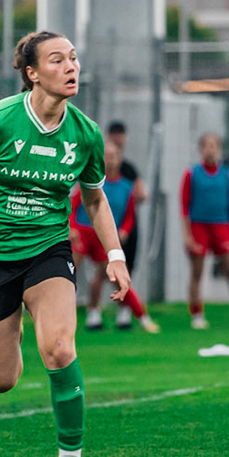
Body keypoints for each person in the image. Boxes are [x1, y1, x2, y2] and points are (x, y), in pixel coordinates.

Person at [0, 30, 127, 457]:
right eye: (57, 60)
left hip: (47, 249)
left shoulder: (86, 134)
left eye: (73, 58)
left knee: (59, 348)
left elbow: (95, 198)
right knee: (1, 380)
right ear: (32, 73)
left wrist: (115, 254)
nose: (70, 67)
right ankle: (13, 321)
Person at [71, 138, 159, 334]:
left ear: (120, 160)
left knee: (112, 274)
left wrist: (124, 230)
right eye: (106, 157)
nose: (109, 161)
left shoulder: (127, 187)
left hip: (103, 236)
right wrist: (72, 228)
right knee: (68, 272)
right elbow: (73, 205)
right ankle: (69, 314)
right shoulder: (91, 180)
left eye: (113, 157)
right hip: (83, 232)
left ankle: (139, 315)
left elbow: (129, 216)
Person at [181, 132, 229, 330]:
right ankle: (197, 314)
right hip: (199, 227)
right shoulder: (191, 174)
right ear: (201, 150)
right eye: (206, 146)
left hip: (221, 226)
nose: (210, 150)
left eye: (214, 146)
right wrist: (187, 235)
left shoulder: (227, 175)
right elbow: (184, 207)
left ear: (219, 149)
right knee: (197, 272)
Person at [104, 120, 145, 329]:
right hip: (103, 229)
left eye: (121, 134)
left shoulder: (128, 170)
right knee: (101, 272)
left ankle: (125, 312)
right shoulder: (98, 171)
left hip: (126, 229)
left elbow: (141, 194)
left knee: (126, 269)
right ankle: (92, 312)